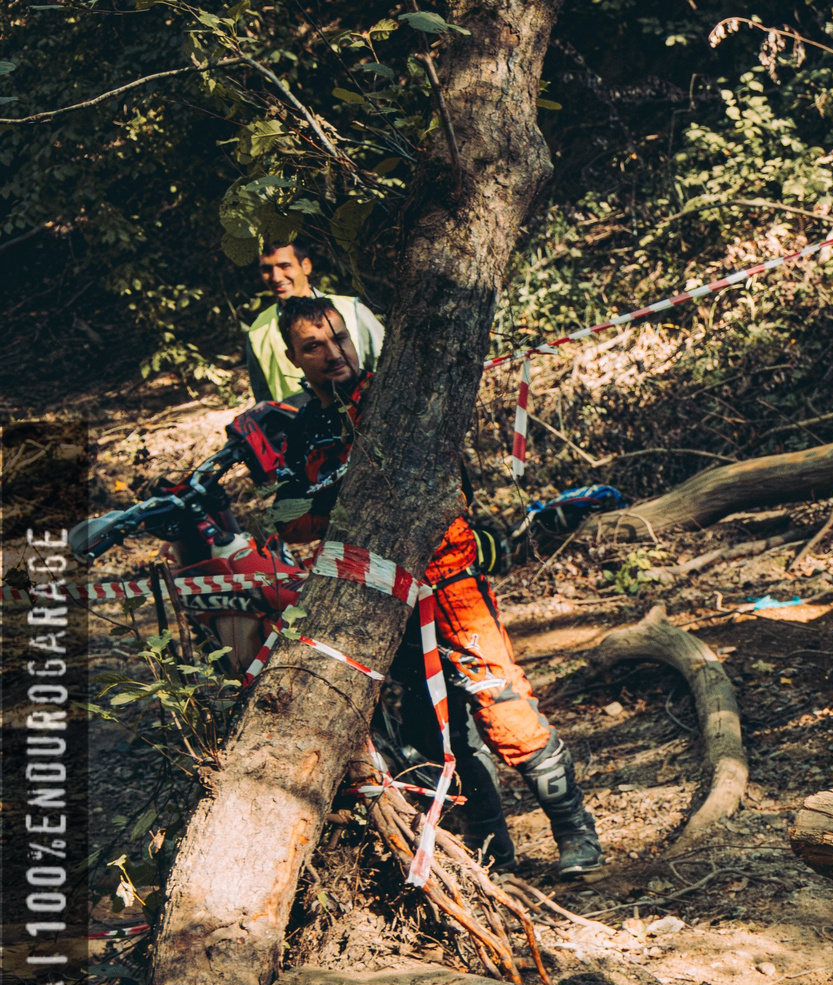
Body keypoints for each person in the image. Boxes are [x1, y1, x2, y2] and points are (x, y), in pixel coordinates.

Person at [191, 296, 603, 875]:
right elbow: (288, 515)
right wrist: (338, 499)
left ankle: (577, 837)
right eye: (314, 346)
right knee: (430, 729)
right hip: (377, 592)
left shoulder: (395, 394)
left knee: (500, 700)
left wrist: (338, 498)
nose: (333, 353)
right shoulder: (305, 425)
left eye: (339, 338)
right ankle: (493, 854)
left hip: (447, 573)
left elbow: (437, 479)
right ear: (293, 358)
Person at [242, 239, 385, 404]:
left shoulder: (352, 310)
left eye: (284, 266)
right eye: (267, 269)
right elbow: (265, 402)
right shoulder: (258, 331)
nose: (276, 277)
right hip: (300, 425)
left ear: (306, 266)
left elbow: (387, 368)